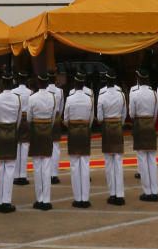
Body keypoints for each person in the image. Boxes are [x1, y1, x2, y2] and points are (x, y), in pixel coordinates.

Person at [0, 73, 22, 213]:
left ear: (2, 83)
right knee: (10, 168)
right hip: (12, 133)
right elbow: (19, 120)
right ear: (12, 83)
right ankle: (7, 201)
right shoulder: (17, 99)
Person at [128, 67, 158, 201]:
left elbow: (131, 114)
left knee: (142, 158)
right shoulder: (154, 93)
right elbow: (155, 112)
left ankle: (147, 191)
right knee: (152, 159)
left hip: (140, 124)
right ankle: (154, 190)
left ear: (139, 79)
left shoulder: (134, 94)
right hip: (149, 125)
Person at [63, 72, 94, 207]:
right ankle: (85, 198)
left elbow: (65, 118)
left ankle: (78, 198)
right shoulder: (89, 98)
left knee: (75, 165)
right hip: (85, 131)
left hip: (74, 132)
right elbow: (92, 118)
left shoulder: (70, 98)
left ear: (75, 84)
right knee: (85, 164)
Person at [96, 68, 126, 205]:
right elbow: (124, 115)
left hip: (107, 127)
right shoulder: (121, 95)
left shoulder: (102, 96)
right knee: (118, 162)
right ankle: (120, 194)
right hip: (118, 127)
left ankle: (113, 193)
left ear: (106, 81)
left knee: (109, 163)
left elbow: (100, 118)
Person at [27, 74, 57, 211]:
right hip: (47, 131)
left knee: (37, 166)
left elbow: (29, 118)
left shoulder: (32, 98)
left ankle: (39, 198)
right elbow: (52, 117)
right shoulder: (53, 97)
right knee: (46, 166)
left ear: (38, 83)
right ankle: (47, 199)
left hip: (36, 131)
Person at [14, 71, 32, 187]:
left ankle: (16, 175)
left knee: (17, 146)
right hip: (26, 118)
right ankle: (23, 174)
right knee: (24, 147)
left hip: (16, 118)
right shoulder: (30, 92)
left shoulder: (14, 91)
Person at [46, 70, 64, 186]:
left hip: (46, 118)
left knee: (47, 146)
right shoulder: (60, 91)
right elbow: (61, 107)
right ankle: (54, 174)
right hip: (56, 116)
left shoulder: (45, 91)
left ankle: (47, 173)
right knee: (56, 146)